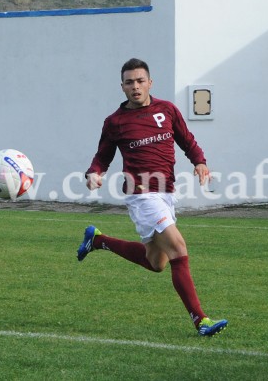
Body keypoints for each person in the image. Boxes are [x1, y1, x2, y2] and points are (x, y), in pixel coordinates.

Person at [77, 58, 228, 336]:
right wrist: (94, 172)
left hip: (167, 193)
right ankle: (201, 320)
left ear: (150, 82)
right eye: (129, 82)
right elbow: (103, 155)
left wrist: (199, 161)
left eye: (140, 81)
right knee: (178, 249)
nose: (135, 86)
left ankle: (98, 240)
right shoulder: (115, 122)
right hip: (141, 195)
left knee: (155, 262)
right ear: (122, 87)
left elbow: (187, 140)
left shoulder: (167, 110)